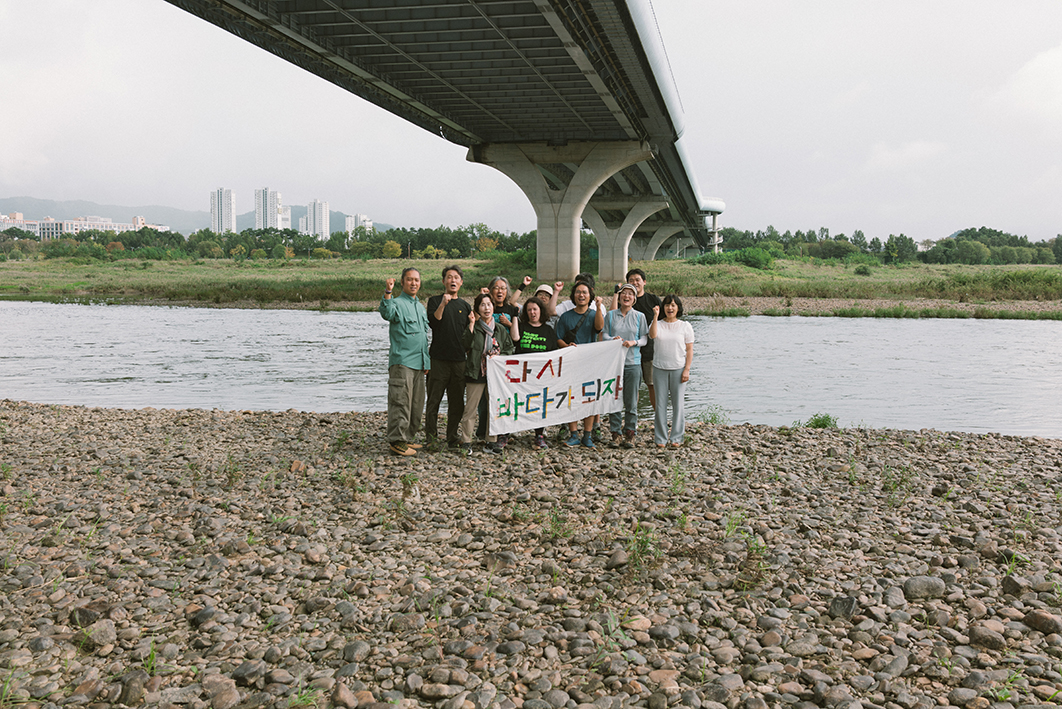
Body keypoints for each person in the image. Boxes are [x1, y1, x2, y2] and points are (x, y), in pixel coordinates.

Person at [378, 268, 430, 456]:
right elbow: (386, 312)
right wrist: (388, 291)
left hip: (419, 363)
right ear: (402, 282)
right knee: (400, 401)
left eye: (416, 280)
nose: (413, 283)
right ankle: (396, 440)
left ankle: (407, 437)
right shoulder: (396, 303)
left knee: (416, 403)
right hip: (402, 362)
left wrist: (426, 362)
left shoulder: (420, 307)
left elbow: (423, 336)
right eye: (409, 280)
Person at [459, 292, 516, 455]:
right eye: (482, 305)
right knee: (471, 409)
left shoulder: (499, 329)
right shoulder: (475, 327)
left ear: (493, 307)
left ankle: (491, 441)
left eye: (489, 304)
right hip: (476, 372)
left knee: (493, 408)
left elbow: (509, 348)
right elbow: (465, 344)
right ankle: (466, 441)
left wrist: (498, 356)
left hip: (494, 375)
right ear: (477, 308)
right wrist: (471, 324)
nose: (486, 308)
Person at [425, 265, 472, 451]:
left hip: (459, 361)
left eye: (456, 277)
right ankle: (431, 438)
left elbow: (469, 335)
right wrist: (443, 304)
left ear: (461, 282)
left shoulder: (465, 306)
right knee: (433, 401)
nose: (453, 280)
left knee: (457, 403)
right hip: (438, 359)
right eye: (449, 277)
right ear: (444, 281)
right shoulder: (434, 301)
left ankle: (452, 437)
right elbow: (434, 323)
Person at [555, 281, 605, 448]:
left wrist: (599, 307)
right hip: (571, 362)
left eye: (584, 292)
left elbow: (599, 327)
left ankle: (588, 435)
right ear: (573, 295)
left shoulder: (594, 314)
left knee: (589, 398)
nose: (581, 295)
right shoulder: (565, 316)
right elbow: (558, 338)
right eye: (578, 292)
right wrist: (567, 347)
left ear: (590, 296)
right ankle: (574, 434)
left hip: (590, 363)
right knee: (572, 397)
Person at [602, 283, 648, 448]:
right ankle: (615, 433)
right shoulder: (610, 315)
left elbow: (644, 339)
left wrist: (634, 342)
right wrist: (612, 339)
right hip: (613, 364)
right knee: (614, 398)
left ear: (634, 299)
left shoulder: (640, 316)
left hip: (632, 363)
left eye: (630, 294)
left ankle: (630, 433)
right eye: (623, 293)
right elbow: (604, 334)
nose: (626, 296)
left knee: (631, 400)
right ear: (619, 296)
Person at [611, 269, 662, 411]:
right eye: (631, 280)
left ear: (644, 282)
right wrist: (616, 293)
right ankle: (633, 417)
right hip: (628, 354)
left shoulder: (653, 300)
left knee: (652, 384)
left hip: (649, 351)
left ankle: (658, 417)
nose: (635, 283)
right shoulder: (625, 299)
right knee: (632, 387)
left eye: (637, 280)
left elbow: (663, 321)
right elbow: (611, 315)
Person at [476, 276, 520, 440]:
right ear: (490, 290)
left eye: (503, 288)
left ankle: (503, 431)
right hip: (483, 359)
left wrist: (509, 323)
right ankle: (483, 430)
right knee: (484, 397)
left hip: (504, 359)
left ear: (507, 291)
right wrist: (480, 297)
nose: (500, 291)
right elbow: (474, 324)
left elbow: (516, 337)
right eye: (496, 287)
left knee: (504, 395)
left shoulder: (512, 309)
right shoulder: (484, 306)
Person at [649, 294, 695, 448]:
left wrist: (687, 369)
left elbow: (689, 350)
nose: (670, 308)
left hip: (678, 369)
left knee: (678, 405)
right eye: (667, 305)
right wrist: (655, 316)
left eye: (673, 305)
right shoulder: (658, 323)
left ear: (678, 308)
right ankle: (660, 439)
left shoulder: (685, 326)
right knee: (660, 405)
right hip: (659, 368)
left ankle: (676, 437)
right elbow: (652, 335)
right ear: (663, 307)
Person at [515, 297, 558, 449]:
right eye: (529, 310)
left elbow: (554, 354)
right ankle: (506, 433)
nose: (532, 312)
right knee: (516, 401)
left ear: (541, 311)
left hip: (541, 375)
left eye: (535, 309)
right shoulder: (521, 327)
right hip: (522, 374)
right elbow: (513, 342)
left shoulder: (548, 330)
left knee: (540, 403)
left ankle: (539, 434)